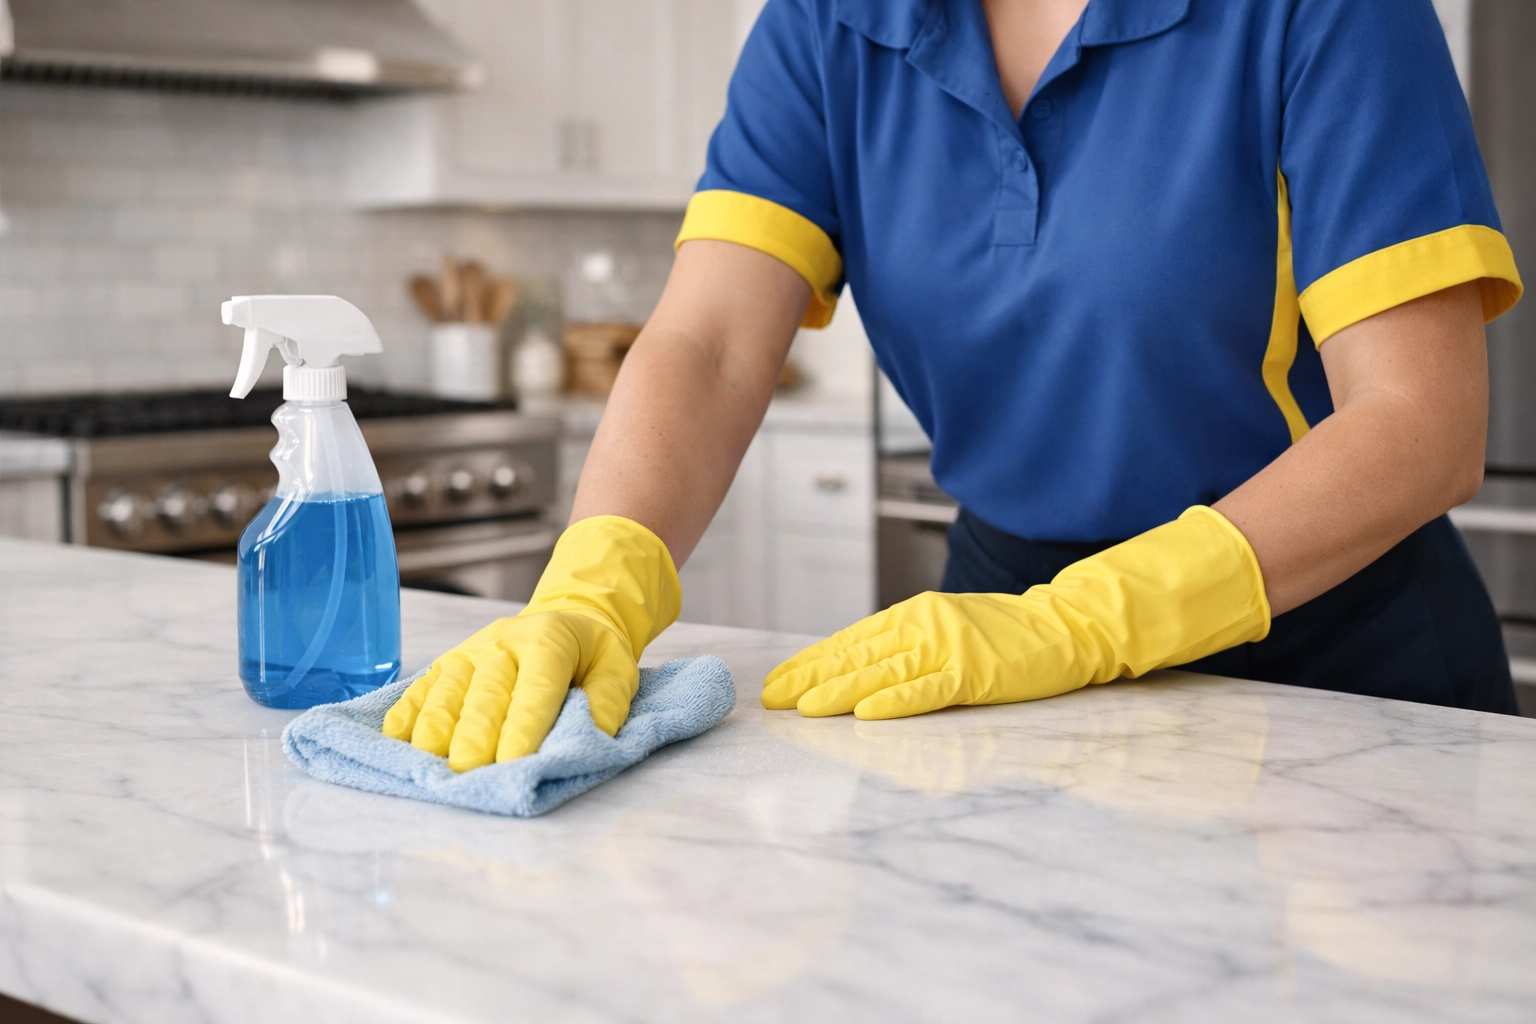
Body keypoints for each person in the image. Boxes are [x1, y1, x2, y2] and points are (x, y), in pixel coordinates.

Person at [383, 0, 1525, 772]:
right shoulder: (830, 24)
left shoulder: (1324, 12)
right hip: (1003, 642)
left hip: (1324, 649)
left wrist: (1084, 624)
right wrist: (595, 581)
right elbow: (712, 343)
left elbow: (1419, 421)